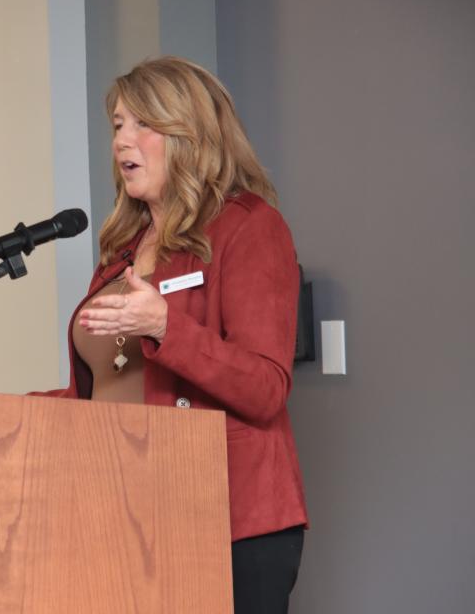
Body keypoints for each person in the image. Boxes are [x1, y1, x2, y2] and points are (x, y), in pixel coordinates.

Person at [45, 57, 308, 613]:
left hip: (227, 518)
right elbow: (103, 392)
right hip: (130, 514)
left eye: (143, 124)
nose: (123, 140)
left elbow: (265, 388)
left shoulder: (248, 227)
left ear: (191, 136)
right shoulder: (121, 249)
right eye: (118, 124)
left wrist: (166, 326)